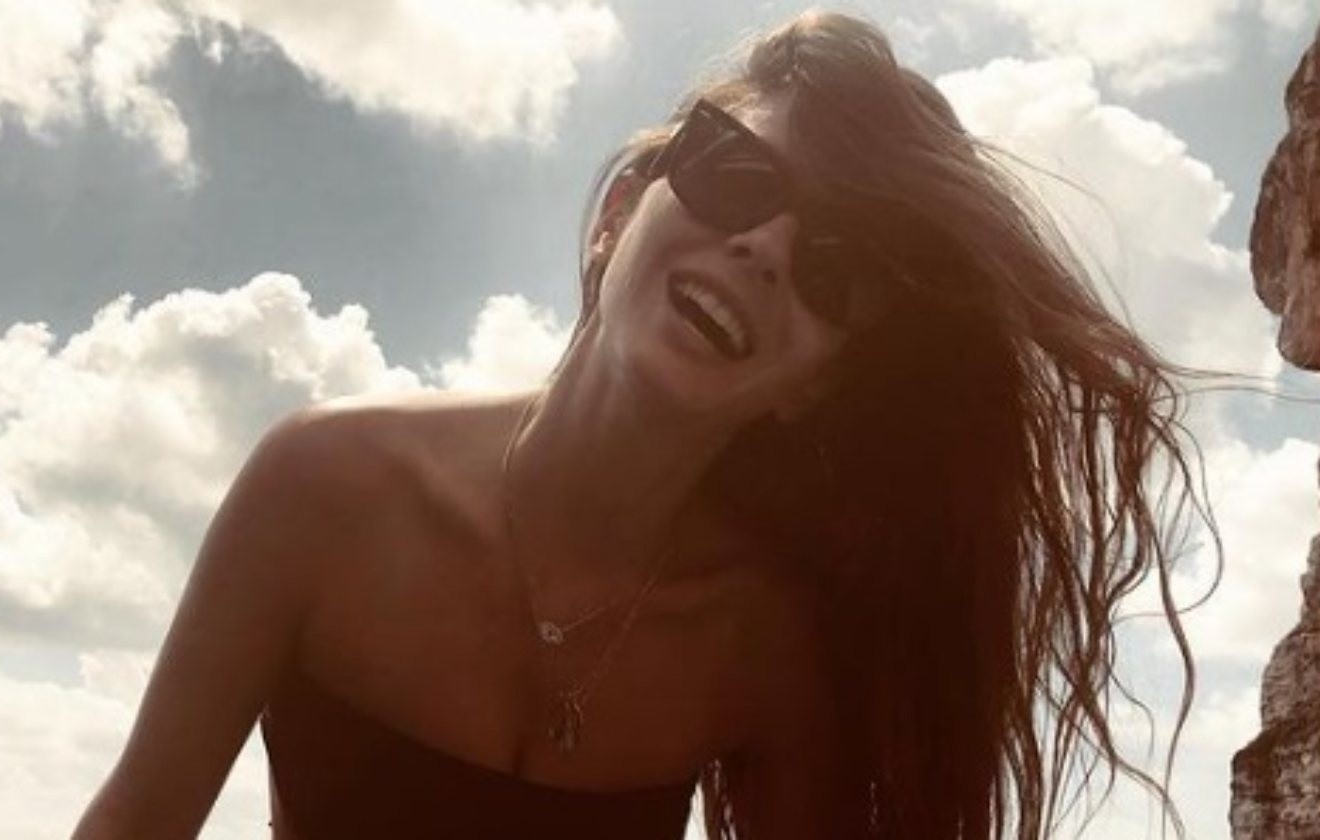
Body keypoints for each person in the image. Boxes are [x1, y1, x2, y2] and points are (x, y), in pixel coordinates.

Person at [74, 10, 1214, 839]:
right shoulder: (324, 486)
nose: (765, 247)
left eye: (835, 269)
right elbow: (134, 821)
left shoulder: (762, 642)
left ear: (819, 383)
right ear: (619, 213)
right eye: (735, 174)